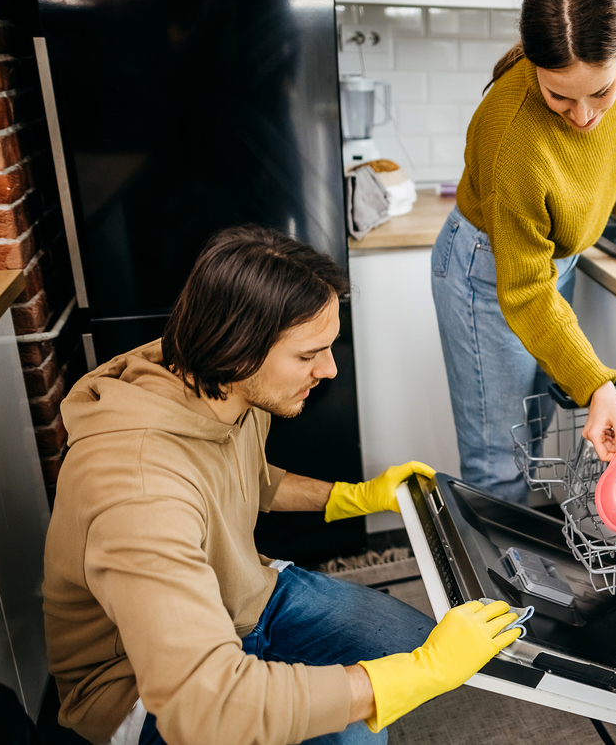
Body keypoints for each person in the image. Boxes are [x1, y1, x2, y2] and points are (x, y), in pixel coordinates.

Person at [43, 225, 520, 745]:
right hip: (141, 690)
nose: (331, 370)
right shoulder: (136, 490)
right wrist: (404, 679)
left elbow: (244, 477)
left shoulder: (222, 384)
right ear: (239, 348)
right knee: (361, 732)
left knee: (413, 643)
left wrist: (353, 497)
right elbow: (209, 708)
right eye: (308, 355)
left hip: (242, 598)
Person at [432, 0, 616, 502]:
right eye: (560, 97)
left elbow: (610, 148)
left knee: (531, 429)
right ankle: (501, 590)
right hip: (490, 268)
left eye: (600, 92)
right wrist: (597, 382)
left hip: (556, 259)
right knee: (501, 456)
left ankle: (523, 572)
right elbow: (525, 290)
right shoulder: (511, 134)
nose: (583, 116)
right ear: (533, 63)